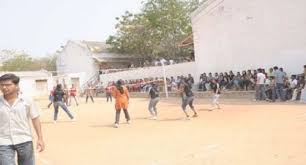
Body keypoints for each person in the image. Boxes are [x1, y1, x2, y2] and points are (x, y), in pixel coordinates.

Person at [0, 74, 45, 164]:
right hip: (3, 141)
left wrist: (40, 138)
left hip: (24, 140)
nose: (4, 87)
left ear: (17, 86)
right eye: (2, 85)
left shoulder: (27, 101)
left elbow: (35, 118)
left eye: (8, 85)